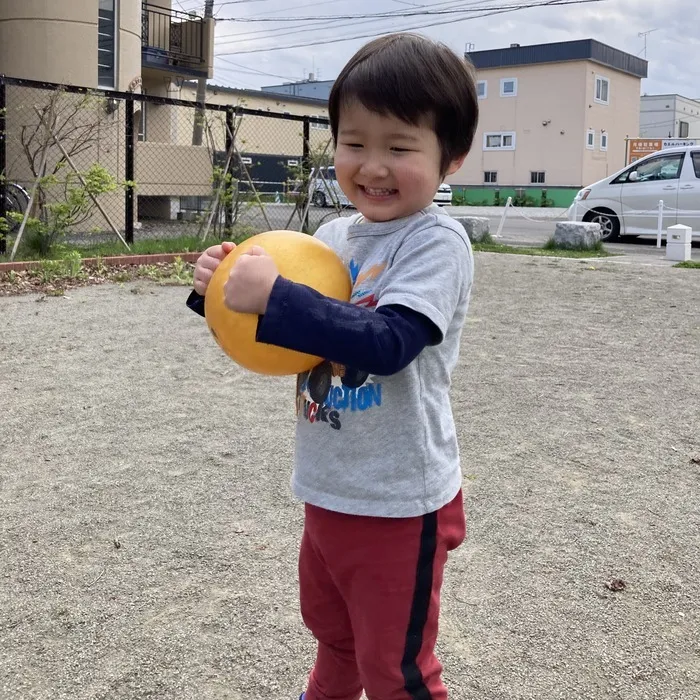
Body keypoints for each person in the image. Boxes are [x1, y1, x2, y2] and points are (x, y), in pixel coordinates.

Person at [188, 32, 479, 700]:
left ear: (452, 157)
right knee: (335, 637)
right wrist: (217, 293)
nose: (372, 166)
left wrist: (279, 297)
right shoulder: (328, 238)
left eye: (399, 147)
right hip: (328, 487)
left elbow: (388, 341)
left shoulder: (437, 241)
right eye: (354, 143)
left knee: (396, 669)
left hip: (399, 501)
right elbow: (281, 341)